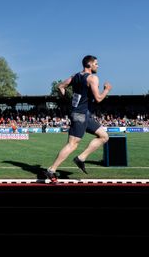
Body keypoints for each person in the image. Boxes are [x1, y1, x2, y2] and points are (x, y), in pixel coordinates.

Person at [45, 55, 112, 184]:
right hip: (80, 115)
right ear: (89, 65)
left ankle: (81, 158)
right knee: (72, 144)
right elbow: (98, 99)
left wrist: (66, 100)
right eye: (96, 64)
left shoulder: (75, 76)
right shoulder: (93, 78)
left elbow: (60, 87)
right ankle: (51, 170)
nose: (97, 66)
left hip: (83, 115)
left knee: (104, 136)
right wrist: (106, 90)